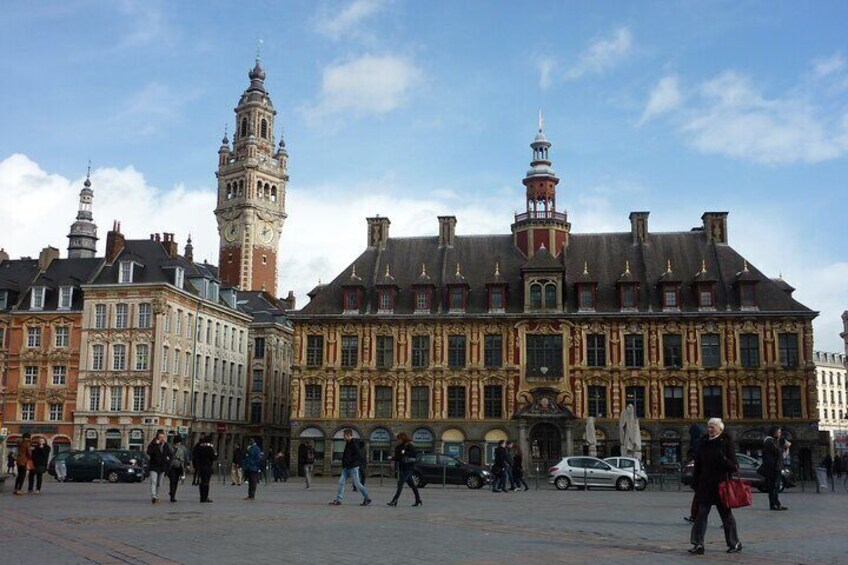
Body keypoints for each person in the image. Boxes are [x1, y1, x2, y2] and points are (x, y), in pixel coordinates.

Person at [688, 418, 742, 555]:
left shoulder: (726, 442)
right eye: (709, 427)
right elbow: (698, 465)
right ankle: (698, 544)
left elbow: (734, 466)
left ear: (720, 428)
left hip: (721, 484)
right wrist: (695, 482)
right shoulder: (703, 442)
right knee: (700, 516)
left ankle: (734, 543)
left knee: (726, 516)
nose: (710, 429)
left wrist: (723, 459)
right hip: (705, 484)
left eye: (712, 427)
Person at [329, 429, 370, 506]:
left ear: (349, 435)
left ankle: (367, 498)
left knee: (357, 484)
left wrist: (351, 462)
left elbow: (359, 455)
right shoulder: (347, 443)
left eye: (344, 435)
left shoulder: (354, 444)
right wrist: (344, 463)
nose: (343, 437)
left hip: (353, 467)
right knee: (341, 482)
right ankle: (338, 500)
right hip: (346, 468)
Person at [387, 432, 422, 507]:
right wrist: (392, 458)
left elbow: (414, 456)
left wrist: (405, 453)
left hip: (409, 468)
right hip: (402, 467)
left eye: (399, 439)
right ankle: (418, 500)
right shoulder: (398, 447)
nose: (398, 440)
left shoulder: (410, 446)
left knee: (400, 484)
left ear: (403, 439)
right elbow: (398, 458)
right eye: (397, 439)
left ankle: (394, 500)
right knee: (412, 485)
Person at [684, 423, 707, 523]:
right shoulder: (703, 441)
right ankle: (695, 516)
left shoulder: (697, 442)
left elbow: (697, 457)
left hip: (702, 475)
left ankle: (695, 516)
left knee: (700, 497)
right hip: (703, 474)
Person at [762, 426, 788, 511]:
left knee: (776, 486)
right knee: (773, 486)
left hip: (776, 466)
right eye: (779, 432)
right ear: (774, 432)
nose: (780, 434)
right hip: (772, 467)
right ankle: (774, 504)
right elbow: (777, 451)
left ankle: (776, 503)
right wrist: (784, 446)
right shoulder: (769, 441)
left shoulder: (773, 441)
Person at [146, 430, 173, 504]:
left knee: (159, 483)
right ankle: (153, 496)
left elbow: (170, 454)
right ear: (157, 437)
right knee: (153, 481)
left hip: (162, 467)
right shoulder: (153, 444)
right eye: (160, 437)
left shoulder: (166, 445)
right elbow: (149, 453)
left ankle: (157, 496)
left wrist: (168, 460)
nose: (162, 439)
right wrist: (156, 445)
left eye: (163, 437)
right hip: (154, 466)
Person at [193, 435, 217, 503]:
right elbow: (214, 457)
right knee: (206, 482)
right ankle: (205, 497)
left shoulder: (200, 448)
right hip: (208, 466)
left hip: (201, 466)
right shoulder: (210, 448)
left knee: (201, 482)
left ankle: (201, 497)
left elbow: (196, 456)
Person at [168, 436, 189, 503]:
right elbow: (186, 458)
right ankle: (173, 494)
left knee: (173, 481)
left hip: (172, 466)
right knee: (175, 481)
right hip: (179, 466)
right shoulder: (183, 449)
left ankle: (172, 493)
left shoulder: (170, 448)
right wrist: (186, 465)